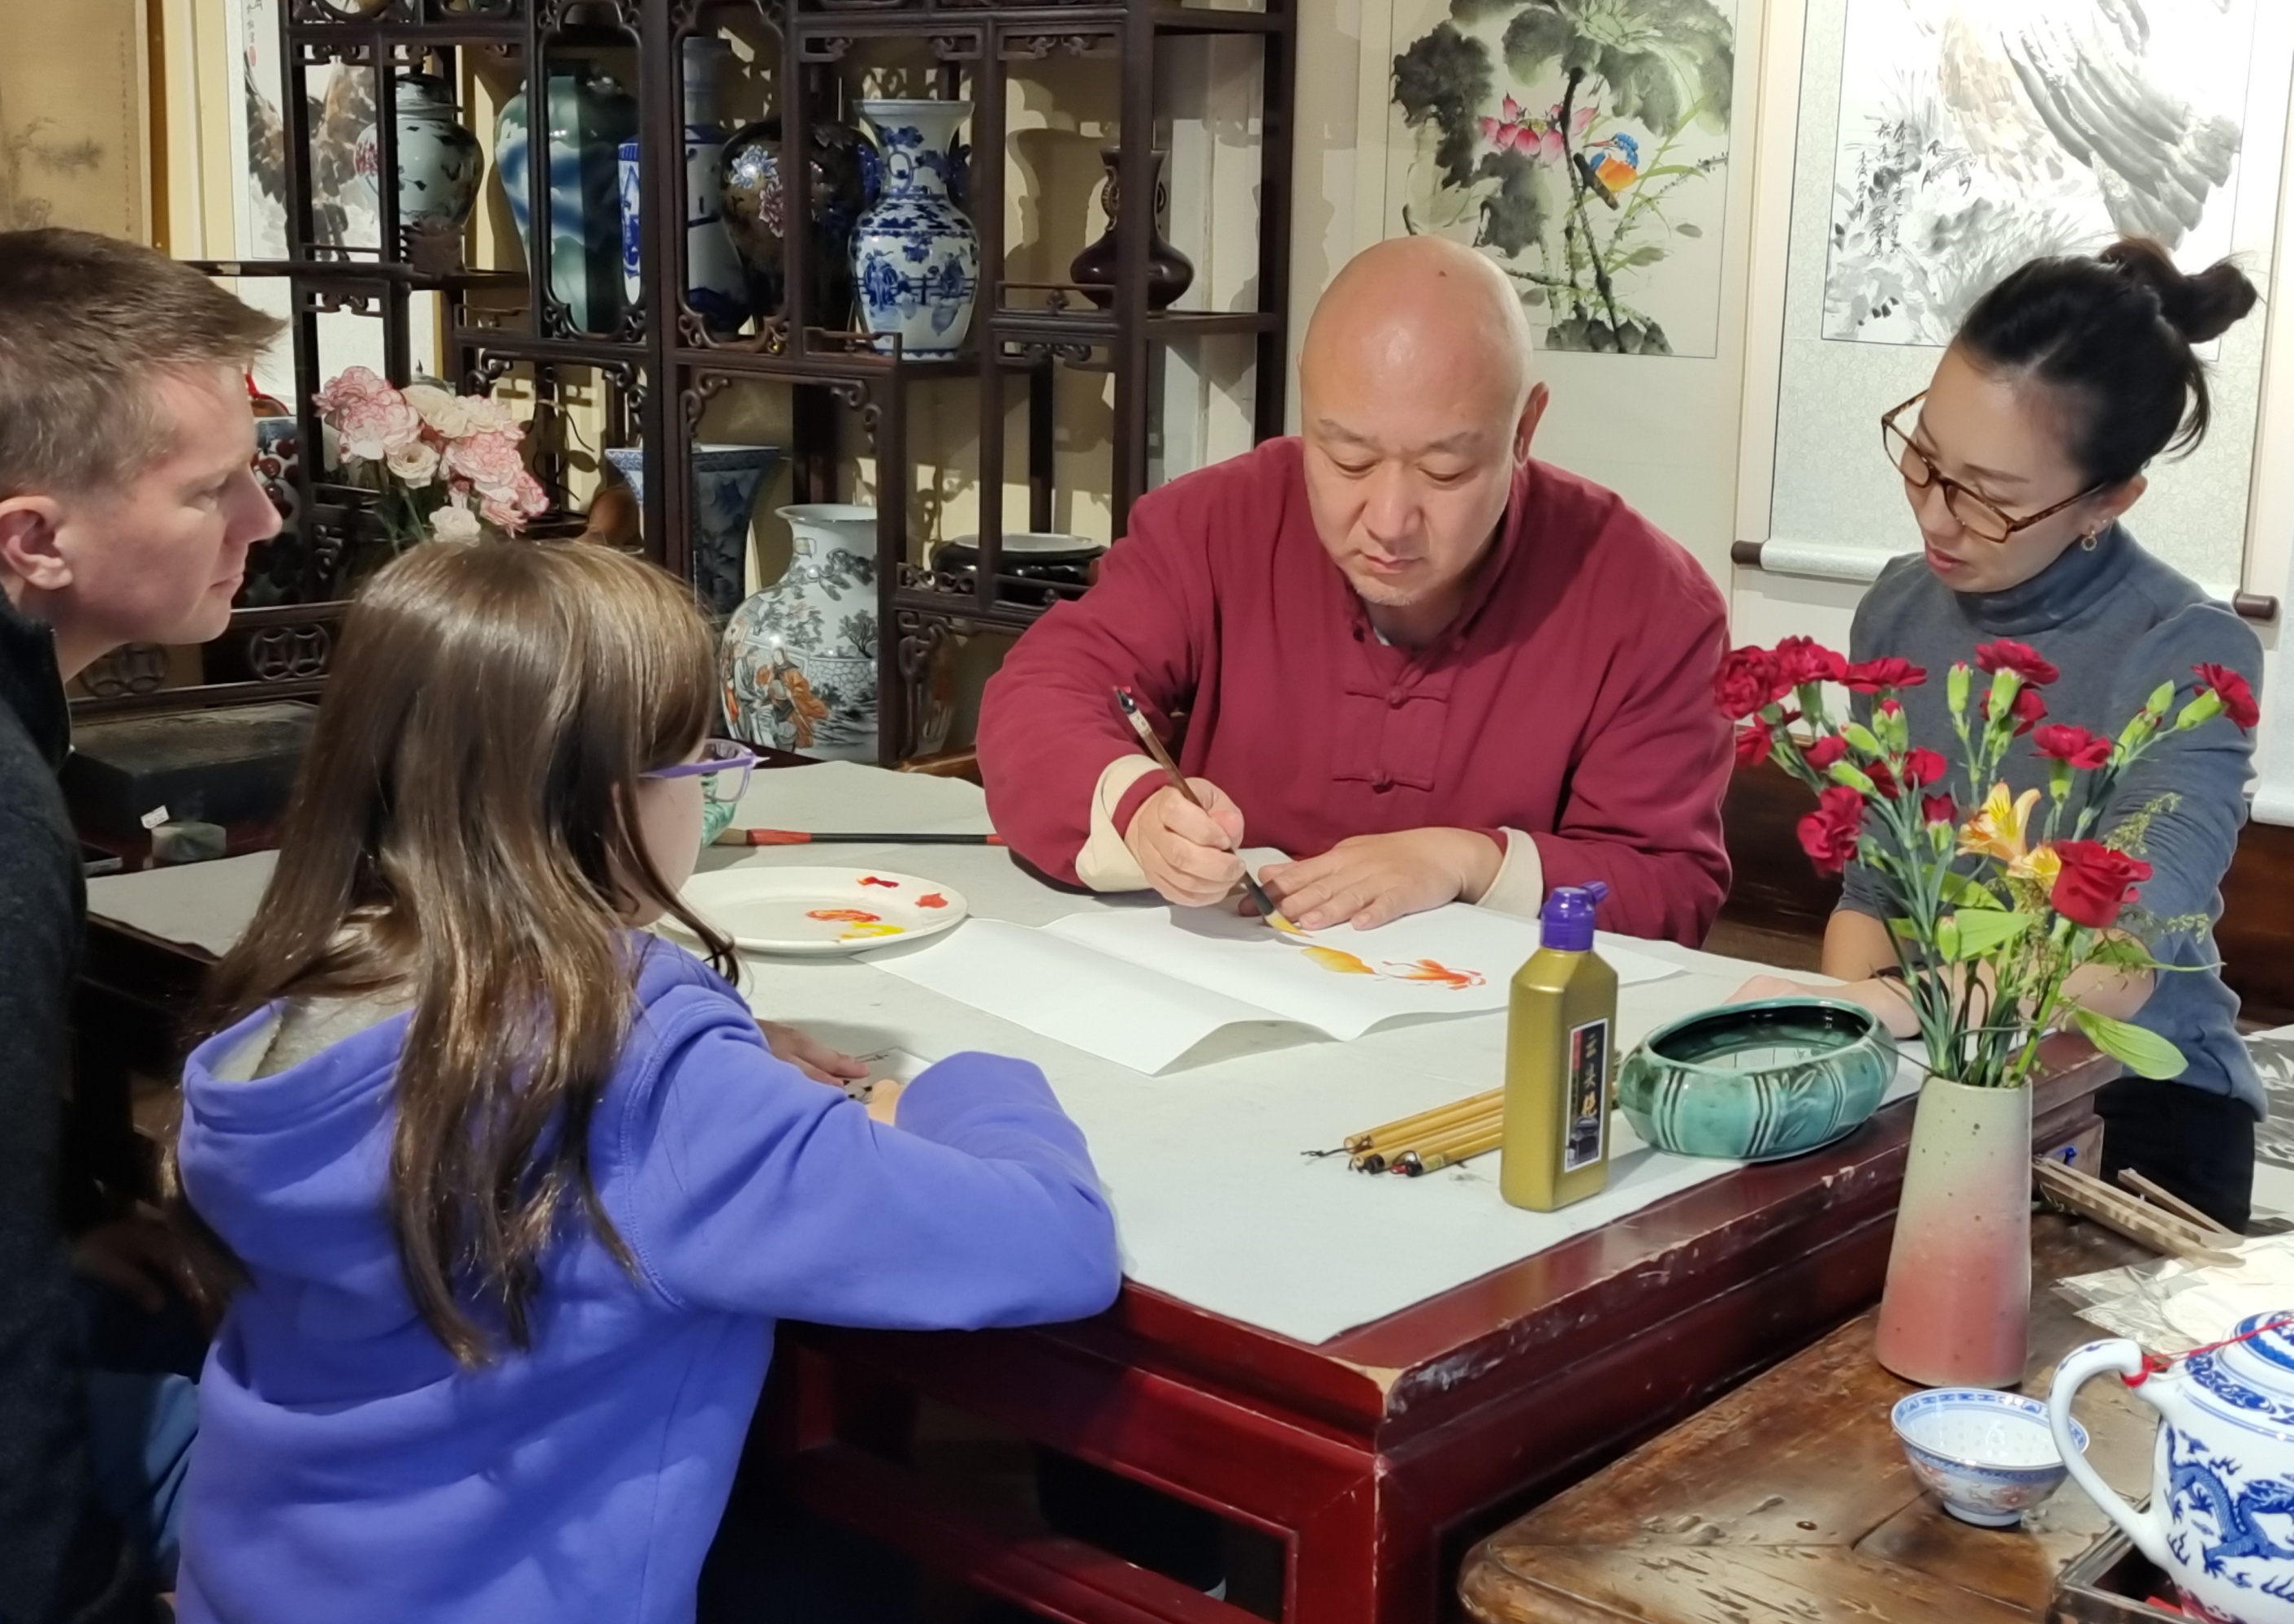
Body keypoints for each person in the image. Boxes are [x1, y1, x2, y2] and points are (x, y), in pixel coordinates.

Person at [171, 541, 1121, 1624]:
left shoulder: (286, 997)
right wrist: (972, 1083)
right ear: (608, 796)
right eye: (700, 763)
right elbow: (1053, 1240)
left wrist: (724, 1056)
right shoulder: (637, 1077)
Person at [0, 229, 286, 1623]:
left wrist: (46, 1240)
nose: (265, 521)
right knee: (357, 1471)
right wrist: (90, 1599)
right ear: (34, 539)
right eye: (213, 490)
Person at [977, 235, 1732, 945]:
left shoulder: (1650, 603)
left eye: (1445, 471)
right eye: (1348, 461)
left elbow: (1669, 886)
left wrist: (1470, 863)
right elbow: (1043, 695)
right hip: (1230, 980)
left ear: (1524, 429)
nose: (1390, 522)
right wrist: (1141, 811)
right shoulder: (1214, 524)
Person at [1734, 240, 2266, 1229]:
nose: (1937, 516)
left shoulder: (2186, 650)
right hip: (1939, 1067)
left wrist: (1889, 1009)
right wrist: (1848, 1051)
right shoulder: (1899, 610)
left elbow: (2117, 958)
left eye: (1990, 496)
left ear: (2109, 499)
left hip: (2139, 1108)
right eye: (1925, 457)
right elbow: (1874, 894)